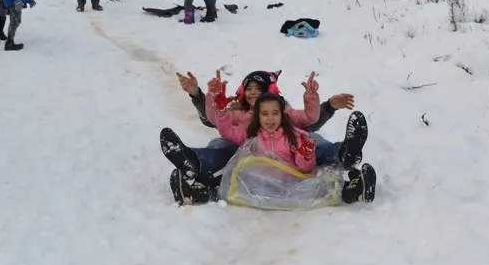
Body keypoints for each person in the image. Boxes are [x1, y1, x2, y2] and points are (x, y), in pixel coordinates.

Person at [160, 70, 367, 205]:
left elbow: (308, 120)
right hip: (246, 152)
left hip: (288, 152)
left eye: (259, 90)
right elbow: (215, 119)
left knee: (312, 138)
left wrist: (327, 106)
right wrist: (201, 95)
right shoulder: (238, 113)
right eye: (249, 89)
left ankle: (345, 153)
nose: (253, 94)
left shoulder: (282, 113)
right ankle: (192, 161)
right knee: (221, 145)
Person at [202, 91, 378, 208]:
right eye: (264, 114)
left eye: (275, 113)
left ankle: (355, 190)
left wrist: (306, 155)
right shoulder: (251, 135)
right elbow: (228, 132)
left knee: (324, 182)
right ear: (258, 116)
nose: (270, 118)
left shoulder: (294, 136)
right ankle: (196, 191)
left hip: (287, 186)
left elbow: (305, 168)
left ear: (282, 115)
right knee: (225, 181)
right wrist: (221, 113)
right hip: (257, 185)